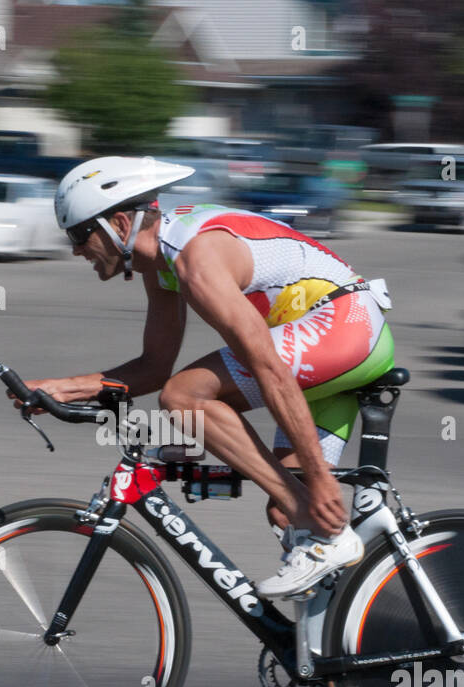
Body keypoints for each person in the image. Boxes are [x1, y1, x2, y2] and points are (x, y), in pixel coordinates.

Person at [25, 156, 396, 599]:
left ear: (120, 223)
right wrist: (60, 389)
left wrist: (315, 481)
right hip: (322, 343)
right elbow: (154, 367)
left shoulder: (192, 259)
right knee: (283, 512)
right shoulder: (160, 265)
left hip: (346, 327)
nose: (75, 249)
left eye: (79, 234)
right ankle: (331, 656)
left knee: (185, 397)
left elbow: (267, 368)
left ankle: (322, 526)